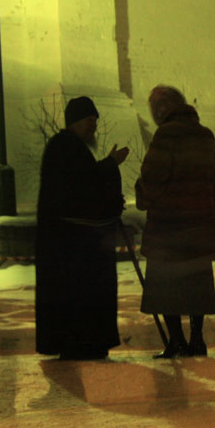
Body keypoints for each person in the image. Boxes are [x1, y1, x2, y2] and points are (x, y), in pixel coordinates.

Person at [35, 96, 129, 360]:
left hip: (70, 241)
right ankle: (82, 345)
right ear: (76, 121)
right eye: (90, 120)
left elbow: (84, 182)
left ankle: (83, 344)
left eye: (95, 120)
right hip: (71, 245)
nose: (94, 126)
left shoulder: (68, 147)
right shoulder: (65, 147)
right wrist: (110, 164)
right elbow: (83, 186)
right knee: (80, 295)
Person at [135, 86, 215, 359]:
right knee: (196, 284)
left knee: (166, 286)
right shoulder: (205, 135)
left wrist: (142, 195)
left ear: (161, 109)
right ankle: (197, 339)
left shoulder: (165, 135)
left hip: (168, 227)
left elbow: (153, 179)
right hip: (198, 225)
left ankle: (176, 341)